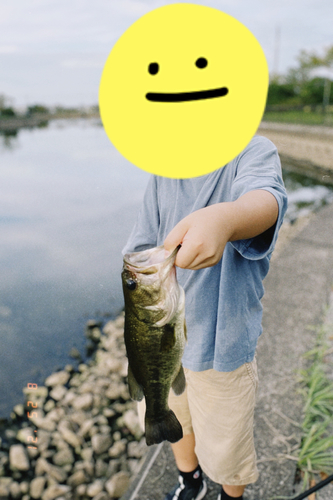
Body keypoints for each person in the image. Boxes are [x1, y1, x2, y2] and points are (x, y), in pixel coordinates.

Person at [122, 135, 288, 500]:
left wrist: (227, 219)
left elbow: (267, 200)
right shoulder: (164, 171)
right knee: (173, 415)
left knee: (227, 441)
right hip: (162, 342)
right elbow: (139, 246)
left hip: (222, 346)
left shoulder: (251, 151)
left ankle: (232, 495)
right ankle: (190, 480)